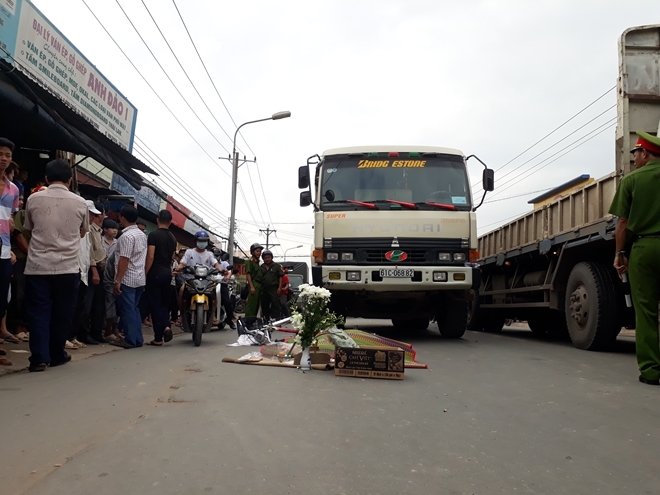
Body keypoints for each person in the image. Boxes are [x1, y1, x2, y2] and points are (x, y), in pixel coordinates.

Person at [24, 159, 88, 372]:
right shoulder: (80, 203)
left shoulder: (33, 199)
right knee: (63, 313)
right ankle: (57, 354)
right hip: (67, 267)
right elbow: (83, 231)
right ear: (70, 180)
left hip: (38, 266)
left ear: (46, 179)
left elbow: (28, 228)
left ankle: (39, 358)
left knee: (39, 311)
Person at [610, 131, 660, 386]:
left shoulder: (632, 181)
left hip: (645, 249)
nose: (634, 159)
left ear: (646, 153)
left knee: (647, 312)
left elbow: (622, 223)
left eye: (636, 154)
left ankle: (651, 371)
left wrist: (620, 253)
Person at [112, 205, 148, 349]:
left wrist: (118, 280)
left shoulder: (126, 236)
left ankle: (131, 340)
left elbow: (124, 259)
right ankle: (137, 339)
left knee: (128, 309)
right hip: (139, 278)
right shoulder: (141, 235)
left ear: (122, 218)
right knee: (134, 309)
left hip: (128, 278)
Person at [175, 231, 225, 324]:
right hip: (191, 279)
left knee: (215, 293)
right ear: (196, 241)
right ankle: (181, 315)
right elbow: (183, 263)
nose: (202, 243)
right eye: (200, 240)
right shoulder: (189, 252)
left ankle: (213, 314)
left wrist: (221, 269)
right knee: (182, 291)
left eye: (204, 241)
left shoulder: (209, 254)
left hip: (207, 280)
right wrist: (179, 267)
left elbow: (215, 264)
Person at [145, 210, 177, 346]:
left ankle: (161, 332)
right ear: (170, 221)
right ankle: (164, 328)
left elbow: (150, 256)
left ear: (157, 220)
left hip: (155, 272)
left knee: (155, 304)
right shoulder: (173, 238)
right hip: (167, 273)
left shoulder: (153, 235)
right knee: (164, 304)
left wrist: (145, 273)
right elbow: (171, 258)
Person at [0, 140, 20, 344]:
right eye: (0, 154)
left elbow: (11, 220)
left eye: (7, 155)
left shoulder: (13, 189)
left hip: (4, 251)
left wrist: (11, 248)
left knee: (1, 298)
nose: (4, 158)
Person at [259, 249, 284, 321]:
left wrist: (279, 288)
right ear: (263, 259)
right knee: (264, 305)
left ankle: (277, 320)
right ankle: (266, 319)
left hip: (274, 288)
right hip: (264, 289)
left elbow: (280, 277)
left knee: (275, 304)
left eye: (268, 257)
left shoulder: (276, 266)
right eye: (265, 258)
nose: (267, 259)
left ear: (271, 257)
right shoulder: (261, 267)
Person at [244, 243, 263, 317]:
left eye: (260, 251)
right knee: (251, 305)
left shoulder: (257, 262)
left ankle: (253, 321)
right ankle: (248, 321)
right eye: (257, 251)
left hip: (259, 285)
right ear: (252, 252)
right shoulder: (249, 261)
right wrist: (251, 287)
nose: (259, 253)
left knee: (256, 305)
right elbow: (248, 274)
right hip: (254, 284)